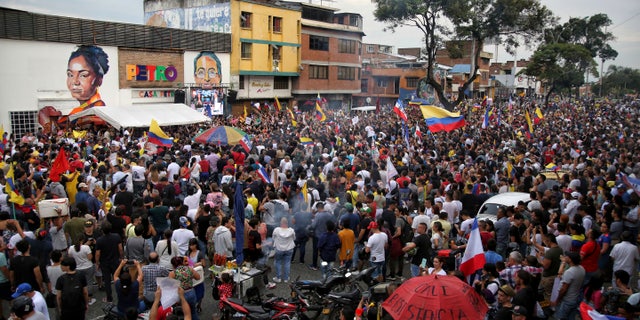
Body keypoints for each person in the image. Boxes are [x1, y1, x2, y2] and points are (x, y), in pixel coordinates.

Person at [59, 45, 109, 126]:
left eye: (83, 75)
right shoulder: (81, 108)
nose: (75, 82)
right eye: (70, 75)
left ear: (99, 80)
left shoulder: (97, 107)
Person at [551, 251, 585, 320]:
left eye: (567, 257)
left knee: (560, 317)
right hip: (575, 298)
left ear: (570, 259)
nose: (565, 257)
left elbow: (563, 289)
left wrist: (557, 300)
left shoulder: (569, 272)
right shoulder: (582, 268)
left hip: (566, 300)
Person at [95, 221, 123, 303]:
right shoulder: (116, 236)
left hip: (105, 263)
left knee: (107, 281)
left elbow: (97, 254)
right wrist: (121, 257)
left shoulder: (99, 240)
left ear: (102, 230)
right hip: (115, 261)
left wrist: (97, 263)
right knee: (117, 278)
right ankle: (121, 295)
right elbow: (120, 249)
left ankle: (109, 298)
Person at [66, 234, 96, 305]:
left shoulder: (71, 248)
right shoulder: (86, 247)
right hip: (88, 266)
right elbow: (90, 257)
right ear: (82, 240)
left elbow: (71, 258)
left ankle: (81, 297)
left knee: (80, 283)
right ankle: (89, 299)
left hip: (78, 268)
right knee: (89, 282)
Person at [169, 256, 200, 320]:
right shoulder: (189, 269)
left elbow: (170, 287)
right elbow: (198, 277)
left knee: (184, 314)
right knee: (193, 312)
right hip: (191, 292)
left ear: (173, 265)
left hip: (181, 295)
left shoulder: (172, 273)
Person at [272, 217, 295, 283]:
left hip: (279, 249)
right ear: (287, 223)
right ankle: (286, 278)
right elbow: (294, 238)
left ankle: (278, 278)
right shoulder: (291, 231)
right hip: (289, 249)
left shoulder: (276, 230)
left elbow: (273, 238)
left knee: (278, 262)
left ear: (281, 223)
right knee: (287, 263)